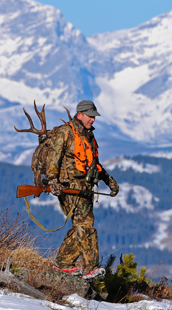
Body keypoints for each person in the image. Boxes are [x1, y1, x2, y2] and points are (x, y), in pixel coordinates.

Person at [45, 100, 119, 281]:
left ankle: (62, 264)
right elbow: (52, 159)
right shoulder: (65, 132)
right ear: (80, 114)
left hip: (85, 189)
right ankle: (90, 268)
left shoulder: (88, 136)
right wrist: (53, 181)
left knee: (82, 226)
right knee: (84, 226)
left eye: (94, 116)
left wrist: (109, 180)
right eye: (90, 116)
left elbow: (94, 165)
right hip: (68, 188)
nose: (93, 120)